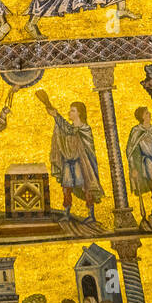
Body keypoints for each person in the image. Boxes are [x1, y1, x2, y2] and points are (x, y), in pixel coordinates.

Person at [36, 89, 103, 222]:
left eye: (72, 110)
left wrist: (57, 116)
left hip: (81, 163)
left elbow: (70, 131)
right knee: (66, 187)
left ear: (79, 113)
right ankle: (66, 213)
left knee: (86, 187)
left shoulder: (85, 129)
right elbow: (65, 130)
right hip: (68, 161)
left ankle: (91, 215)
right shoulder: (70, 127)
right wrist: (56, 116)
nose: (70, 113)